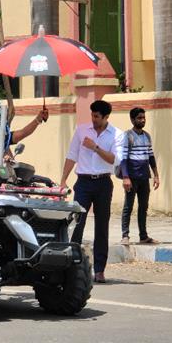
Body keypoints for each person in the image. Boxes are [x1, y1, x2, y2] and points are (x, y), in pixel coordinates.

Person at [60, 100, 117, 283]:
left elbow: (113, 160)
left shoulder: (115, 134)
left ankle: (99, 270)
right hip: (83, 183)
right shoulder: (81, 130)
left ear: (106, 117)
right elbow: (71, 155)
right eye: (92, 115)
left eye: (97, 116)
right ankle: (73, 265)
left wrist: (95, 147)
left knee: (102, 227)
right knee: (77, 224)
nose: (93, 119)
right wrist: (63, 179)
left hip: (103, 183)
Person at [120, 108, 160, 245]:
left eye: (144, 118)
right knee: (128, 207)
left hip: (144, 177)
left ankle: (143, 236)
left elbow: (151, 157)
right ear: (132, 120)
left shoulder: (147, 136)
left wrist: (156, 175)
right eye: (139, 118)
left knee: (143, 207)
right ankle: (125, 235)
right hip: (131, 178)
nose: (142, 120)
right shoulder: (127, 136)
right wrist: (126, 177)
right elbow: (123, 159)